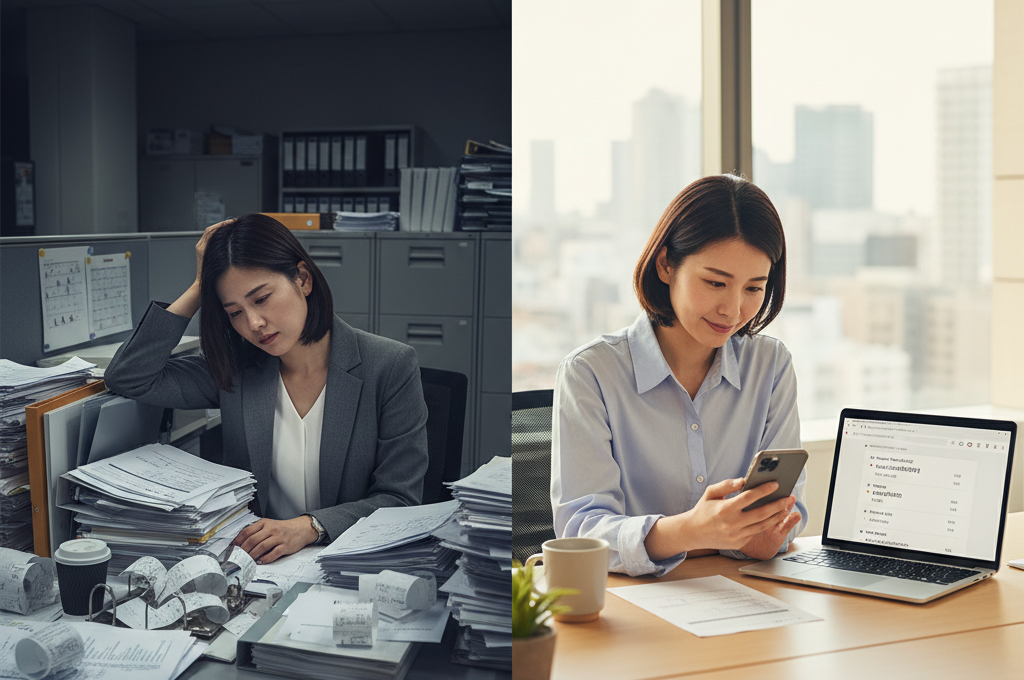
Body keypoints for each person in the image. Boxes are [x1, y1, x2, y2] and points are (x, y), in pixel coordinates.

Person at [104, 214, 428, 564]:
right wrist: (200, 287)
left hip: (350, 565)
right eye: (235, 312)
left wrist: (309, 527)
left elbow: (401, 500)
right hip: (258, 567)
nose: (254, 324)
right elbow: (129, 376)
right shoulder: (237, 369)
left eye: (261, 299)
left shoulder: (390, 366)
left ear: (302, 279)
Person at [551, 174, 808, 578]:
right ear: (666, 264)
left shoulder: (771, 365)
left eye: (754, 288)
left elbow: (787, 510)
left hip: (740, 592)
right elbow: (580, 534)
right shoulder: (591, 373)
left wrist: (767, 535)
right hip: (630, 605)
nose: (733, 309)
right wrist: (690, 530)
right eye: (715, 282)